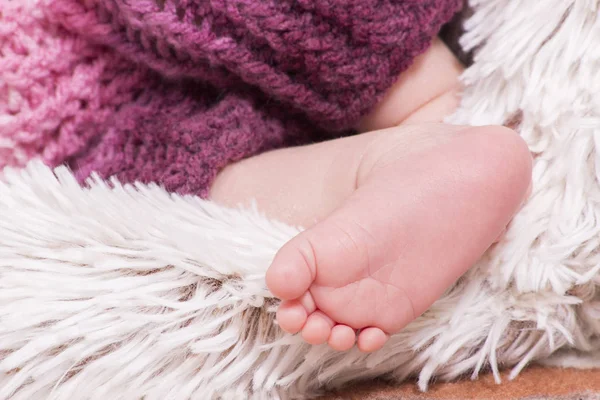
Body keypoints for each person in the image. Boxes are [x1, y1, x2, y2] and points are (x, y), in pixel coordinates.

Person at [8, 0, 531, 353]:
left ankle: (431, 110)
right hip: (82, 144)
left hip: (73, 77)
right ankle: (400, 158)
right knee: (163, 192)